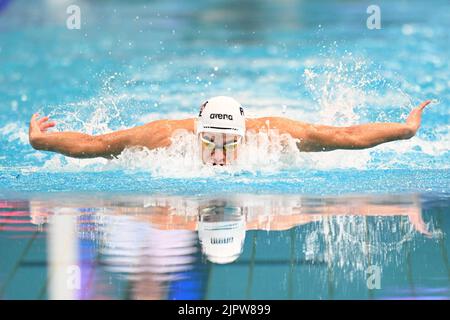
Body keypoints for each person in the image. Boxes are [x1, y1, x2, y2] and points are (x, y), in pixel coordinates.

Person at [28, 96, 431, 165]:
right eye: (211, 140)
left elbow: (347, 137)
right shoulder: (165, 137)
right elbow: (95, 145)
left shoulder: (275, 136)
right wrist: (42, 142)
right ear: (197, 130)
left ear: (244, 132)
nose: (219, 150)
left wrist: (405, 130)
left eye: (227, 140)